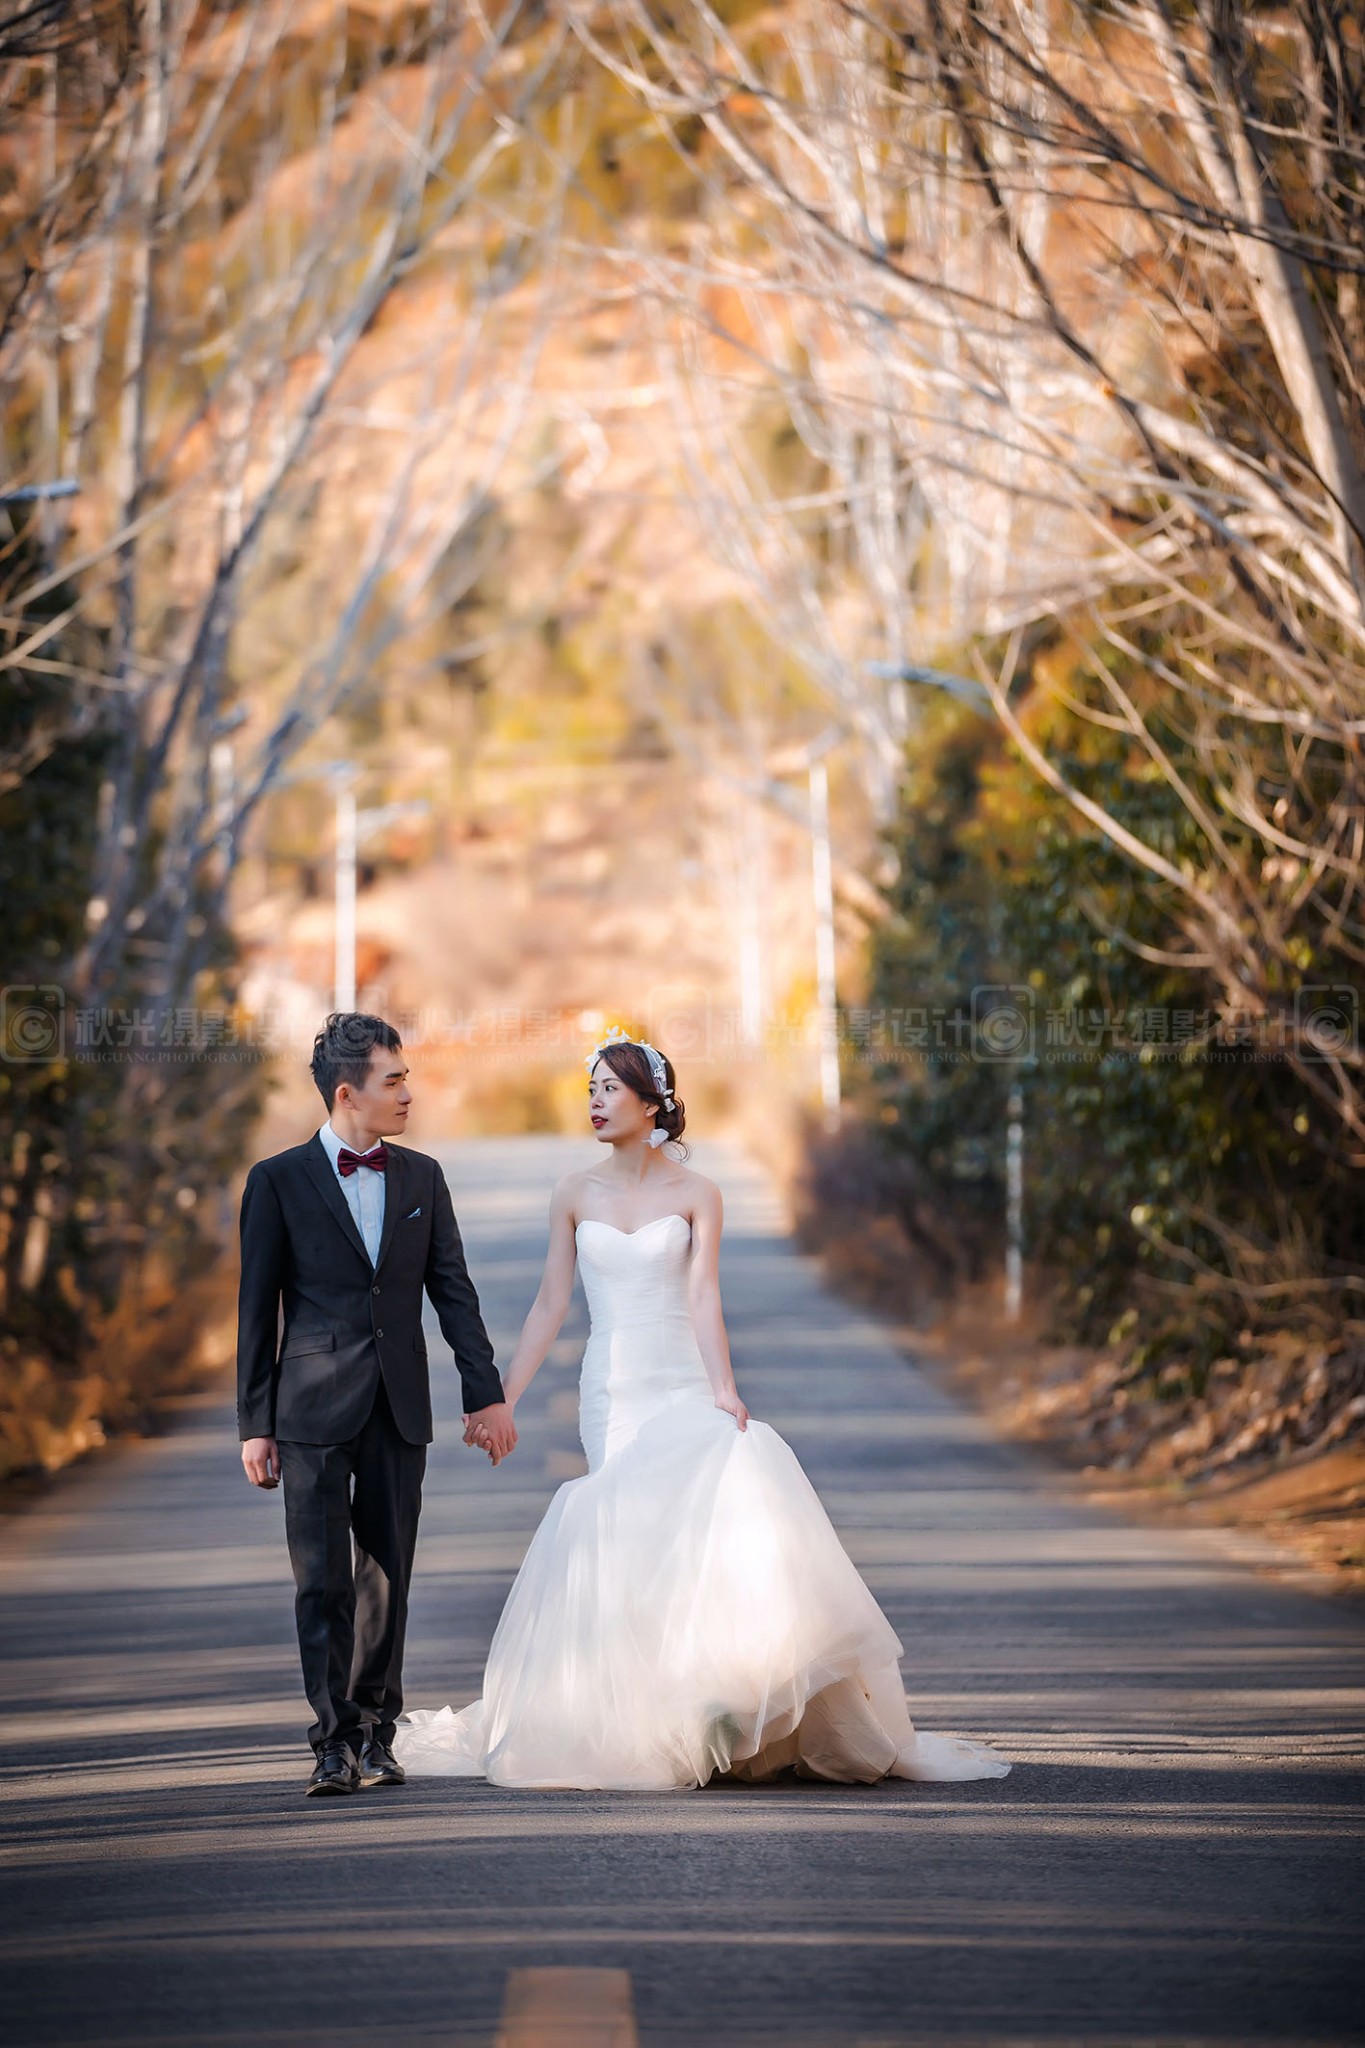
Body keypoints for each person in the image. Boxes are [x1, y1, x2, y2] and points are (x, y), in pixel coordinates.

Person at [395, 1028, 1011, 1791]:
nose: (595, 1100)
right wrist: (501, 1398)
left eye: (611, 1089)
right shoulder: (572, 1192)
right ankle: (647, 1725)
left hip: (679, 1377)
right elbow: (551, 1302)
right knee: (630, 1535)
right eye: (591, 1088)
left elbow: (701, 1294)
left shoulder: (696, 1194)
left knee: (703, 1530)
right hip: (610, 1391)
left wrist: (722, 1389)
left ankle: (720, 1719)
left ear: (652, 1104)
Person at [236, 1012, 516, 1797]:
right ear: (346, 1092)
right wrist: (254, 1424)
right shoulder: (277, 1181)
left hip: (399, 1407)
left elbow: (453, 1293)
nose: (408, 1095)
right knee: (320, 1581)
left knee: (386, 1577)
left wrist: (483, 1393)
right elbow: (256, 1309)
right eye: (394, 1082)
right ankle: (330, 1742)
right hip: (310, 1411)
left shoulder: (423, 1177)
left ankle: (378, 1732)